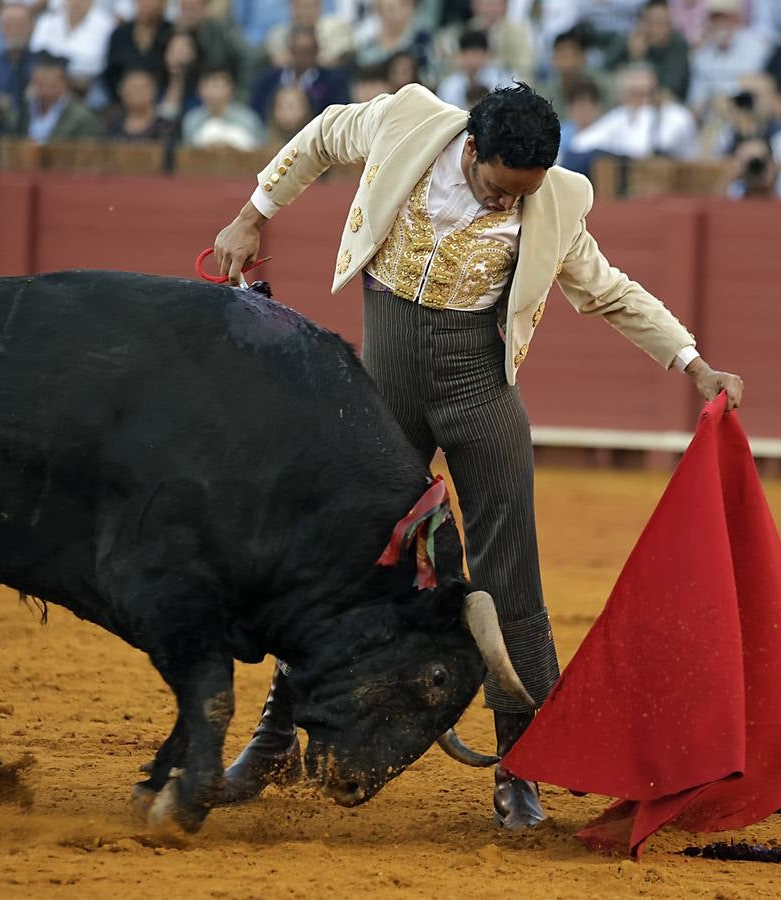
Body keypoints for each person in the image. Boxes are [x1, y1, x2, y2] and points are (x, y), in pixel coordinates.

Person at [210, 82, 743, 830]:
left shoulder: (553, 199)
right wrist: (250, 215)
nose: (505, 206)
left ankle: (519, 772)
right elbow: (323, 136)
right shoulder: (405, 124)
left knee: (510, 577)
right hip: (384, 391)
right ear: (470, 149)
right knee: (334, 565)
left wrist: (693, 365)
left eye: (518, 197)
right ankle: (271, 743)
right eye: (498, 188)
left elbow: (608, 291)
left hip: (479, 395)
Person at [568, 63, 699, 160]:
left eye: (645, 93)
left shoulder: (677, 116)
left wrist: (644, 115)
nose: (641, 100)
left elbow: (646, 149)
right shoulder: (622, 115)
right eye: (633, 94)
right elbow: (581, 142)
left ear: (657, 92)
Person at [687, 0, 770, 124]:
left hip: (747, 115)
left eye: (725, 17)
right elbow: (696, 100)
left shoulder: (757, 48)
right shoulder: (702, 55)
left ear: (736, 19)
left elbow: (761, 87)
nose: (720, 23)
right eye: (715, 18)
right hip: (713, 119)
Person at [249, 25, 349, 124]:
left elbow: (336, 116)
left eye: (307, 51)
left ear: (317, 51)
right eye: (298, 50)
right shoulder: (267, 80)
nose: (302, 56)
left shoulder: (334, 81)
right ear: (290, 50)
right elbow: (257, 113)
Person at [609, 0, 692, 102]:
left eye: (660, 23)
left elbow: (670, 89)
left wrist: (639, 59)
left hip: (667, 105)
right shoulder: (633, 39)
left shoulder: (678, 45)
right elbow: (606, 67)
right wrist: (632, 54)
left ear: (670, 25)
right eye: (649, 22)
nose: (654, 28)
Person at [10, 50, 100, 141]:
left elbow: (86, 150)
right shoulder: (25, 109)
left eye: (50, 85)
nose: (43, 91)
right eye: (38, 85)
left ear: (64, 85)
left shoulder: (82, 117)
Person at [29, 0, 116, 93]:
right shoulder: (46, 20)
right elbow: (37, 53)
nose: (77, 2)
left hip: (88, 84)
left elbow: (99, 63)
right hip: (49, 81)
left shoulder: (107, 26)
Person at [103, 0, 171, 101]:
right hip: (121, 101)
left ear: (163, 3)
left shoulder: (171, 33)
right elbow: (111, 73)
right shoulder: (120, 34)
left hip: (161, 100)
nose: (146, 4)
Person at [181, 66, 260, 148]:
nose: (215, 92)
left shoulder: (247, 118)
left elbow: (257, 149)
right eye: (210, 86)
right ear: (199, 89)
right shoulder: (191, 119)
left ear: (232, 88)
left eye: (220, 86)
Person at [436, 29, 516, 108]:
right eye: (465, 54)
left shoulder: (503, 79)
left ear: (487, 54)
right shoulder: (448, 86)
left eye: (475, 53)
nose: (470, 59)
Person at [263, 0, 353, 70]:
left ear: (319, 6)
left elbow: (332, 62)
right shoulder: (277, 34)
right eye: (299, 6)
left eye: (309, 6)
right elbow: (279, 63)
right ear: (290, 7)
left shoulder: (338, 30)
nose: (304, 12)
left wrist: (294, 60)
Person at [105, 64, 173, 140]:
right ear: (122, 93)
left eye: (142, 88)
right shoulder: (112, 125)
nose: (138, 93)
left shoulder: (165, 127)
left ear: (154, 91)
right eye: (132, 88)